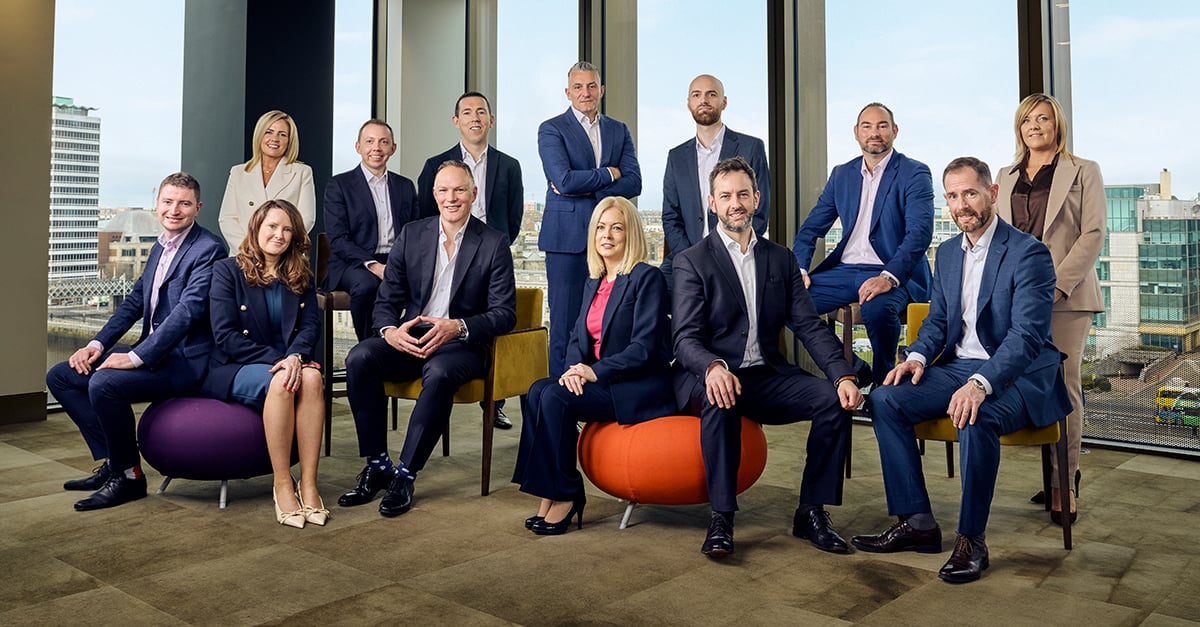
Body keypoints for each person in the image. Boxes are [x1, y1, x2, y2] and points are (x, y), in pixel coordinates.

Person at [852, 157, 1071, 584]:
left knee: (975, 412)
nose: (960, 205)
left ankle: (972, 540)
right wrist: (914, 358)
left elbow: (1026, 337)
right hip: (957, 366)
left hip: (1019, 374)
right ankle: (916, 521)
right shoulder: (948, 252)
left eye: (969, 193)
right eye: (951, 196)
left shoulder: (1030, 254)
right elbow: (938, 321)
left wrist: (980, 383)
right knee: (885, 399)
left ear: (991, 194)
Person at [672, 157, 862, 557]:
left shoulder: (780, 259)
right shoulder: (692, 261)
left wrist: (842, 376)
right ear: (712, 203)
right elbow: (684, 338)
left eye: (742, 194)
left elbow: (809, 325)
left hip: (765, 374)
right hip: (712, 376)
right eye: (725, 196)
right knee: (719, 397)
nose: (735, 203)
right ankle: (721, 517)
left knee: (831, 400)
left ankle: (811, 511)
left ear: (756, 199)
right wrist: (712, 367)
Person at [337, 161, 516, 517]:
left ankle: (405, 473)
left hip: (461, 343)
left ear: (473, 194)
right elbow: (388, 299)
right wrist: (391, 331)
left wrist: (458, 326)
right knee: (360, 358)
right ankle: (377, 464)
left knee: (440, 373)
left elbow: (504, 313)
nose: (451, 198)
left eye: (459, 190)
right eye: (444, 191)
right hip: (412, 335)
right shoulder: (413, 234)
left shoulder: (493, 242)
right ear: (434, 195)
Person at [47, 172, 227, 511]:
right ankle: (115, 462)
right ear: (156, 204)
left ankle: (129, 478)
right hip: (155, 353)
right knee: (61, 376)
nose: (175, 210)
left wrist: (133, 358)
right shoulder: (161, 245)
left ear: (197, 208)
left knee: (104, 383)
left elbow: (187, 313)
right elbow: (134, 302)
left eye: (184, 204)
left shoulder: (209, 249)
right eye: (168, 202)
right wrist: (97, 345)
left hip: (186, 362)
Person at [512, 197, 674, 535]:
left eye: (617, 227)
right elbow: (576, 339)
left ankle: (567, 494)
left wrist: (593, 371)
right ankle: (549, 490)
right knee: (537, 390)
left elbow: (643, 348)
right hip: (597, 380)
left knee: (554, 398)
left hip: (633, 386)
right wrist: (574, 368)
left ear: (631, 234)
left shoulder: (647, 278)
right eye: (601, 227)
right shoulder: (595, 280)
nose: (607, 235)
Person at [995, 93, 1104, 525]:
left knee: (1064, 386)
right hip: (1016, 297)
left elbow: (1093, 232)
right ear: (1019, 128)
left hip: (1066, 296)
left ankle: (1064, 483)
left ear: (1057, 124)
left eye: (1043, 119)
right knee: (1027, 382)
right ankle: (1052, 473)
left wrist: (1056, 285)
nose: (1035, 126)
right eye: (1027, 120)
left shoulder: (1083, 171)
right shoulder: (1005, 175)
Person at [201, 200, 325, 529]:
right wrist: (284, 361)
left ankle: (309, 484)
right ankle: (282, 484)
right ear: (256, 228)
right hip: (238, 364)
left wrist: (296, 356)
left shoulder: (301, 274)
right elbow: (225, 336)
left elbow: (311, 326)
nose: (279, 235)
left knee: (313, 381)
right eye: (272, 226)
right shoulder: (227, 271)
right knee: (285, 381)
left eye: (287, 229)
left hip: (290, 361)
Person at [791, 103, 934, 386]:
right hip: (846, 270)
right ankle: (854, 368)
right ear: (856, 133)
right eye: (867, 127)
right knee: (785, 302)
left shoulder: (914, 172)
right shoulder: (842, 174)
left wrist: (888, 277)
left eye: (882, 126)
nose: (874, 133)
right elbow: (811, 228)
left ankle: (883, 386)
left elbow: (919, 234)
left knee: (876, 308)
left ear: (894, 131)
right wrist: (801, 269)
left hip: (892, 270)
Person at [416, 91, 525, 429]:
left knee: (493, 323)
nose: (475, 117)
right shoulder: (435, 165)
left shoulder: (509, 166)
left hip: (489, 261)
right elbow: (422, 215)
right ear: (456, 121)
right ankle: (436, 388)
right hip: (446, 256)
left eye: (482, 112)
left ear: (491, 120)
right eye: (467, 112)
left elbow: (514, 216)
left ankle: (495, 401)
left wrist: (496, 249)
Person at [538, 61, 642, 378]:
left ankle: (597, 403)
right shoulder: (551, 128)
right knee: (566, 324)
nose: (586, 92)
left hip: (609, 239)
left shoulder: (618, 130)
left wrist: (592, 194)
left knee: (608, 323)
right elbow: (563, 180)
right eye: (579, 87)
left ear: (602, 90)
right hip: (566, 240)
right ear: (568, 92)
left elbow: (635, 182)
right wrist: (609, 174)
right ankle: (562, 400)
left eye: (592, 86)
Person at [662, 74, 770, 284]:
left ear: (724, 102)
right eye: (697, 95)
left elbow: (760, 212)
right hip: (688, 254)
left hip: (736, 254)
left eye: (711, 94)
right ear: (689, 104)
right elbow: (670, 217)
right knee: (648, 288)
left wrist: (733, 252)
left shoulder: (752, 148)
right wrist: (689, 257)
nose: (703, 100)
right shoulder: (676, 157)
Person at [324, 118, 422, 341]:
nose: (376, 148)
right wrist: (375, 266)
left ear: (393, 148)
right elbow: (338, 239)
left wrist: (399, 264)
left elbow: (415, 234)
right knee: (367, 285)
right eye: (369, 141)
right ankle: (370, 347)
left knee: (424, 282)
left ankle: (406, 343)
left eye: (383, 142)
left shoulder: (405, 186)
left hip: (396, 259)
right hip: (354, 262)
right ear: (358, 147)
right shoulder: (339, 185)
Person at [218, 110, 316, 250]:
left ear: (289, 140)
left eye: (282, 134)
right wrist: (249, 248)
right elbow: (227, 218)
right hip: (245, 254)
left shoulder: (302, 172)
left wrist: (275, 247)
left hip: (284, 255)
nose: (274, 139)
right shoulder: (238, 172)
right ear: (259, 135)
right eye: (269, 132)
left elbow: (306, 218)